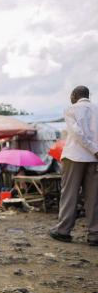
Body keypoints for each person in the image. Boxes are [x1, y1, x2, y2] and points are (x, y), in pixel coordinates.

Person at [49, 86, 98, 246]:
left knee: (70, 194)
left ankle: (63, 230)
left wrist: (93, 149)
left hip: (74, 156)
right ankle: (94, 234)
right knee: (93, 197)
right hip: (94, 159)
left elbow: (77, 133)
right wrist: (96, 151)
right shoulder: (97, 109)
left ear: (75, 95)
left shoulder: (71, 109)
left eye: (71, 95)